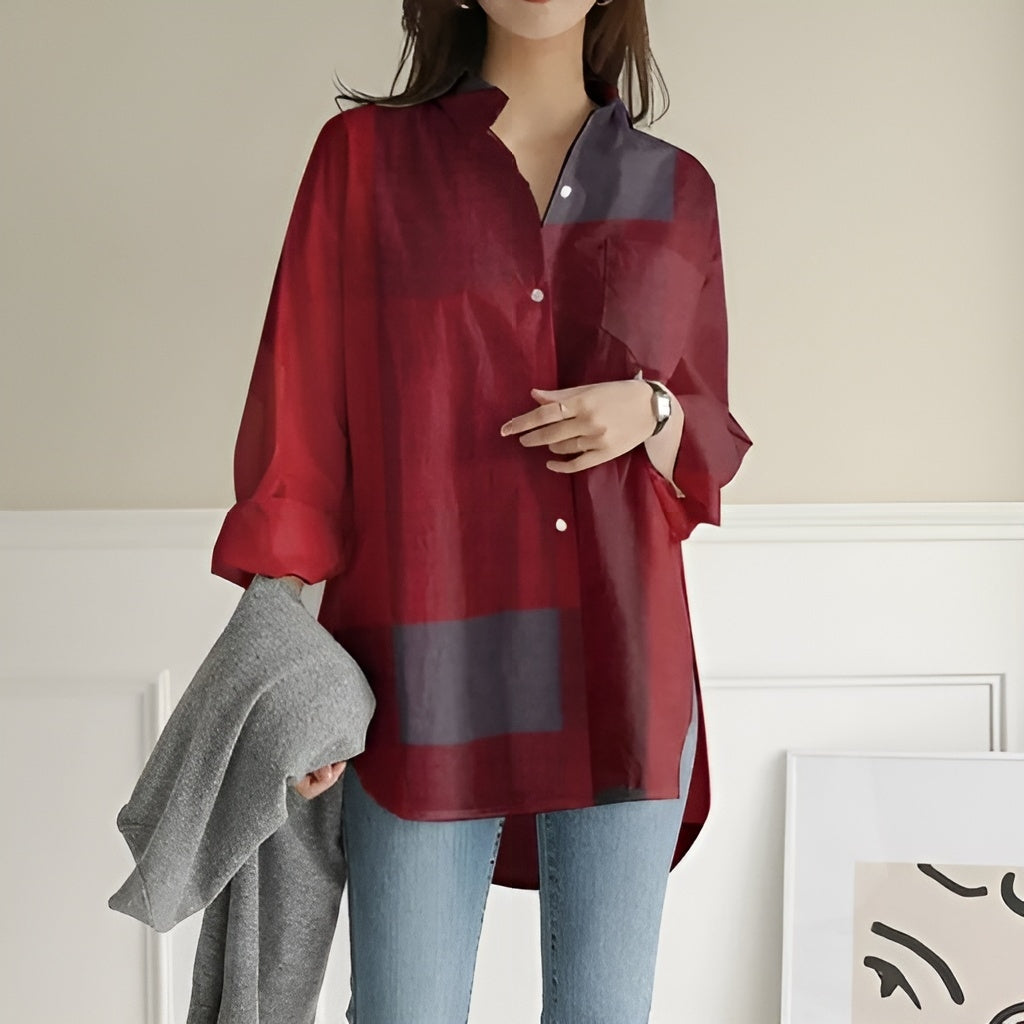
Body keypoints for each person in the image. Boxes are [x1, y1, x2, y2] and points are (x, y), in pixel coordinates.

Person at [210, 0, 753, 1020]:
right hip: (420, 656)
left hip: (620, 657)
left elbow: (701, 445)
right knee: (402, 1009)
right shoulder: (362, 162)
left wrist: (651, 407)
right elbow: (300, 421)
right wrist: (284, 664)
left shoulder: (677, 189)